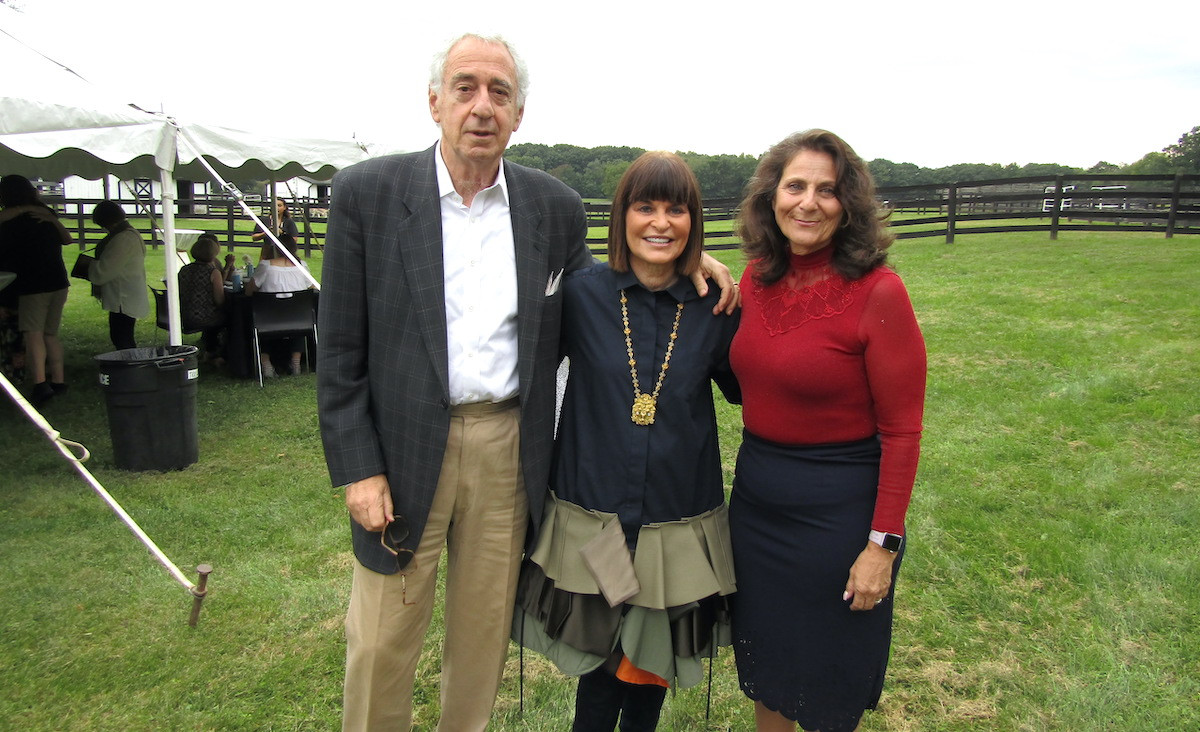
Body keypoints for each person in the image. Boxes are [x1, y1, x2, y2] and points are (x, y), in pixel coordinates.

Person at [317, 33, 735, 732]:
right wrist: (359, 468)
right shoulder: (369, 196)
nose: (482, 107)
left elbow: (613, 287)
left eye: (500, 93)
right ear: (434, 102)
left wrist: (696, 258)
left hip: (509, 443)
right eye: (465, 87)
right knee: (384, 636)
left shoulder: (553, 207)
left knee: (480, 635)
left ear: (519, 114)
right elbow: (338, 351)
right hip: (402, 446)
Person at [512, 152, 740, 731]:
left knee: (648, 668)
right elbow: (525, 366)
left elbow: (752, 386)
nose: (661, 222)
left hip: (674, 527)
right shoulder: (582, 294)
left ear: (694, 221)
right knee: (601, 664)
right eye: (646, 207)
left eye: (676, 209)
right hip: (599, 520)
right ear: (622, 216)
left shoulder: (715, 308)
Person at [727, 129, 927, 732]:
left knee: (827, 677)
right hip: (758, 505)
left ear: (850, 205)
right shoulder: (756, 279)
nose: (808, 202)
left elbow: (903, 432)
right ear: (771, 197)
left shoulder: (878, 292)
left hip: (837, 515)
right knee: (769, 663)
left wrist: (880, 546)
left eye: (827, 190)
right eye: (795, 186)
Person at [0, 174, 71, 405]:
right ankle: (58, 381)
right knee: (50, 334)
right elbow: (67, 239)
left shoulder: (12, 220)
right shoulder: (45, 214)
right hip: (58, 281)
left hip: (34, 284)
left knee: (34, 334)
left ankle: (40, 384)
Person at [244, 233, 313, 377]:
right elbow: (312, 286)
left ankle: (266, 362)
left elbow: (249, 291)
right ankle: (296, 361)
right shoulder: (302, 266)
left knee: (258, 316)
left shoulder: (266, 266)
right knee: (296, 312)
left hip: (268, 320)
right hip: (299, 319)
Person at [88, 201, 148, 351]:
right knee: (120, 335)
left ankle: (131, 368)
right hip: (124, 294)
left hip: (123, 296)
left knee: (122, 338)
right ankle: (129, 366)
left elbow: (105, 270)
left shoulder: (124, 238)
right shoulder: (127, 234)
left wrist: (88, 266)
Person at [177, 234, 232, 364]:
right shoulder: (212, 272)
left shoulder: (184, 269)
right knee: (232, 316)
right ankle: (220, 353)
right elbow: (219, 301)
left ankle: (210, 350)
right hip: (205, 317)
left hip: (185, 316)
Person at [252, 198, 299, 262]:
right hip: (267, 251)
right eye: (274, 205)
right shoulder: (264, 220)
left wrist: (282, 234)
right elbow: (254, 237)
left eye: (279, 206)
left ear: (284, 207)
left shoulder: (289, 221)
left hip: (284, 252)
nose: (276, 208)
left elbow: (294, 239)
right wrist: (266, 233)